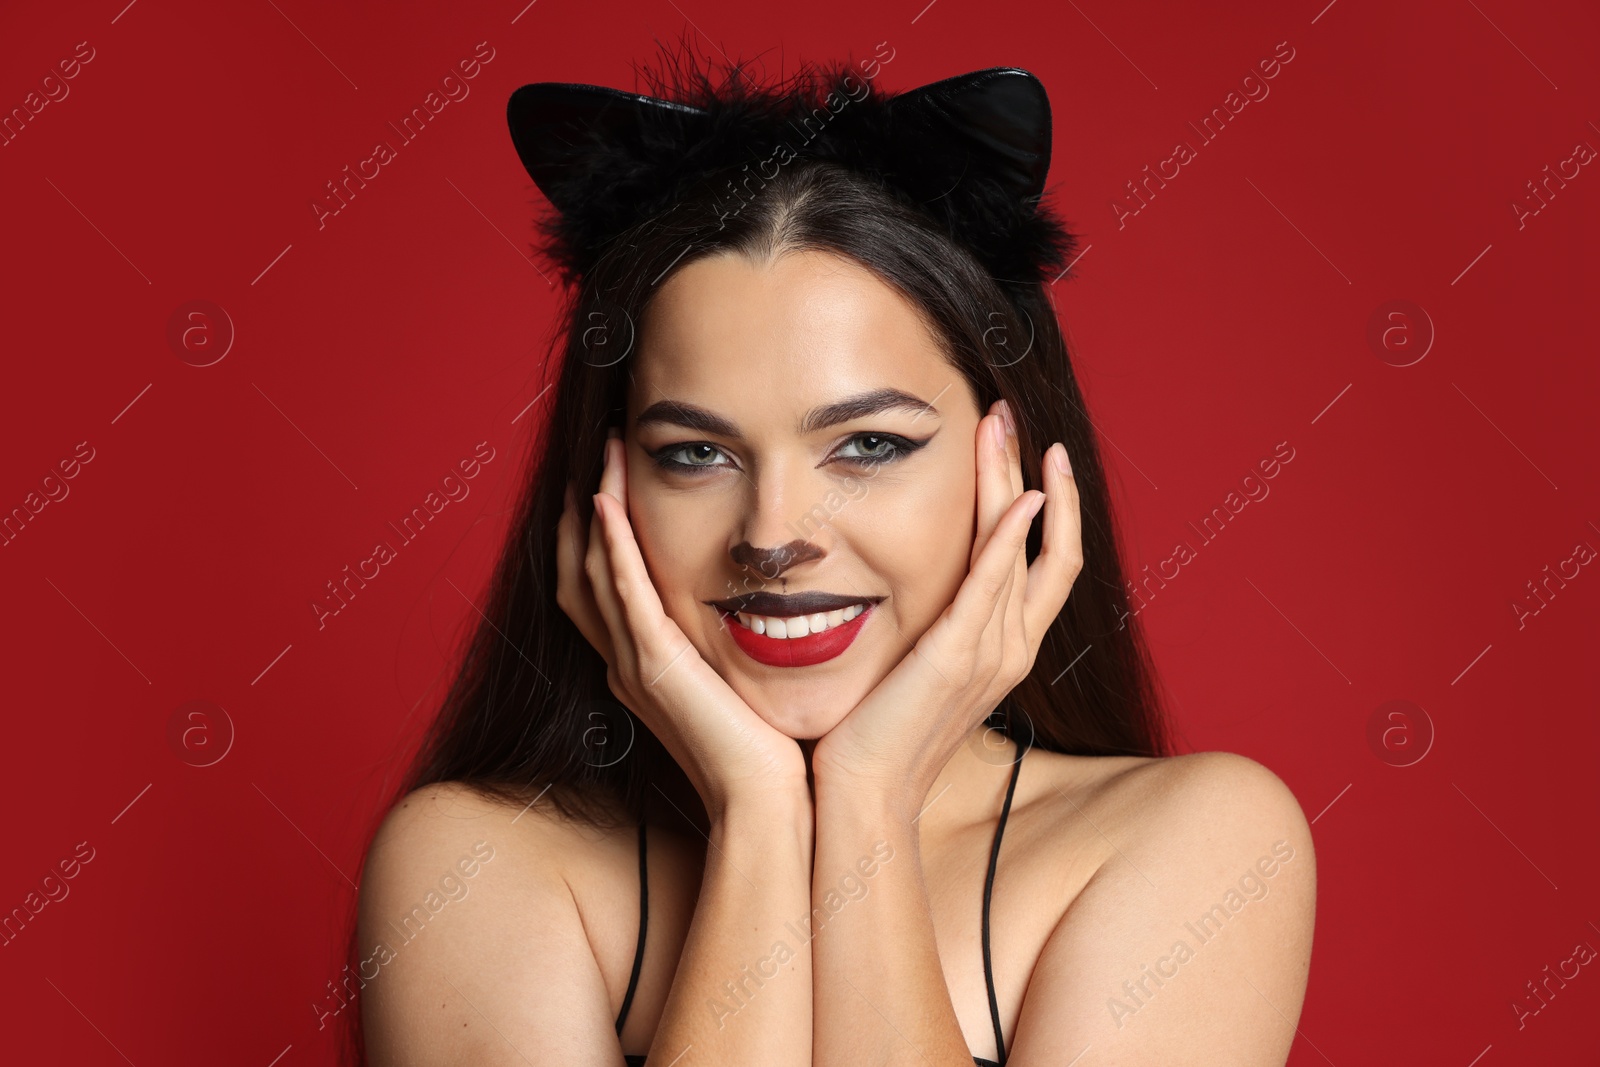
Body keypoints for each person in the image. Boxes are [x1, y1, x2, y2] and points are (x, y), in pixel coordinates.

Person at [345, 38, 1315, 1067]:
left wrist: (867, 799)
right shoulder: (473, 862)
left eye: (868, 444)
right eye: (698, 452)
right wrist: (760, 817)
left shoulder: (1198, 845)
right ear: (606, 488)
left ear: (1008, 463)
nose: (771, 533)